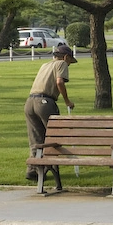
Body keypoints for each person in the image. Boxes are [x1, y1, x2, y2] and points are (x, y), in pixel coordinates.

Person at [24, 44, 77, 181]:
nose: (69, 65)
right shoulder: (61, 64)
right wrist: (67, 101)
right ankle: (52, 168)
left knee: (36, 138)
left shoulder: (45, 65)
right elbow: (59, 82)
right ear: (66, 57)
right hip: (45, 103)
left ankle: (33, 169)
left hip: (30, 102)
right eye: (70, 62)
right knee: (54, 137)